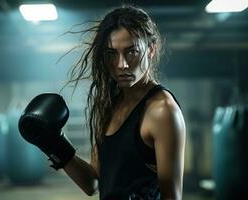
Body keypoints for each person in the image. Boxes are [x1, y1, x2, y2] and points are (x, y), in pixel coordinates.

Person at [18, 5, 186, 200]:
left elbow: (172, 197)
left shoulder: (162, 111)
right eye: (112, 54)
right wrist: (53, 144)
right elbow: (92, 183)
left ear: (150, 49)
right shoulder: (110, 103)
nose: (121, 64)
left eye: (132, 52)